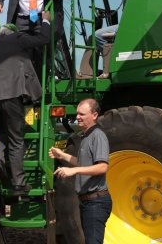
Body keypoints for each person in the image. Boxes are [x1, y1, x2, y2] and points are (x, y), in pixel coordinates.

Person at [0, 11, 52, 193]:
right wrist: (46, 21)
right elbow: (43, 38)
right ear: (13, 32)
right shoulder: (18, 39)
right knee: (16, 138)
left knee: (0, 130)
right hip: (11, 94)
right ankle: (19, 183)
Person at [49, 99, 112, 244]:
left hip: (96, 202)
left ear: (94, 115)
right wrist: (62, 155)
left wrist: (74, 171)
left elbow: (102, 167)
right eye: (77, 113)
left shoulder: (98, 136)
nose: (77, 117)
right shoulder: (86, 136)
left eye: (82, 114)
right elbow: (84, 162)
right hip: (87, 202)